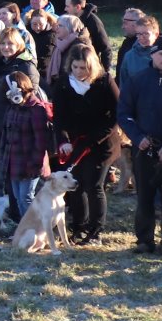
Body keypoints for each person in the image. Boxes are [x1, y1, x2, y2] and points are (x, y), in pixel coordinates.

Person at [118, 35, 162, 254]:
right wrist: (138, 138)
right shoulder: (137, 81)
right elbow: (124, 113)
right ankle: (144, 240)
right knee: (144, 196)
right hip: (143, 149)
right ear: (153, 55)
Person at [51, 44, 119, 246]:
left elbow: (116, 115)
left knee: (94, 184)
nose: (79, 72)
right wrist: (63, 140)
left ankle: (95, 231)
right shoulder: (63, 83)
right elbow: (59, 116)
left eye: (84, 68)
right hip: (74, 142)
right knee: (76, 184)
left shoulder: (104, 81)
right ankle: (79, 227)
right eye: (76, 67)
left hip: (101, 142)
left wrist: (94, 139)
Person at [0, 28, 40, 215]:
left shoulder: (26, 67)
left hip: (20, 131)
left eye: (10, 43)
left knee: (23, 186)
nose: (6, 47)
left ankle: (28, 221)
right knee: (9, 179)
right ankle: (16, 219)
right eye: (3, 43)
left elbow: (30, 99)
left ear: (19, 45)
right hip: (1, 127)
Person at [0, 70, 55, 219]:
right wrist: (2, 157)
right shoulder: (12, 107)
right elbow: (5, 134)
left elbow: (40, 141)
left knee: (26, 197)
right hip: (14, 162)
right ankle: (25, 227)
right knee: (18, 197)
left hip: (30, 164)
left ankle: (35, 227)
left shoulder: (36, 110)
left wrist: (34, 165)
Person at [64, 0, 113, 72]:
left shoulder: (93, 22)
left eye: (67, 6)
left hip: (89, 67)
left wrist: (105, 71)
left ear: (78, 7)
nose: (65, 9)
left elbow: (106, 48)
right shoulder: (70, 20)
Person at [45, 14, 90, 87]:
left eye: (60, 26)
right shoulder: (60, 42)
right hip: (61, 85)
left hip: (74, 87)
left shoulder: (80, 46)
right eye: (57, 25)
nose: (56, 28)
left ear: (71, 28)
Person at [117, 15, 158, 83]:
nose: (141, 37)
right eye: (138, 34)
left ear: (156, 34)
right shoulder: (129, 56)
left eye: (146, 34)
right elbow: (124, 82)